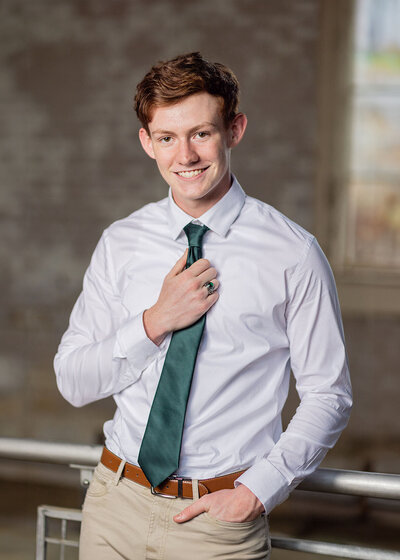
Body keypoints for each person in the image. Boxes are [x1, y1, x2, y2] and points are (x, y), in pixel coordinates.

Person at [54, 52, 352, 560]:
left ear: (234, 130)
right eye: (167, 138)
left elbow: (329, 395)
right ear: (147, 143)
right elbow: (74, 382)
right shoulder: (121, 242)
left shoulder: (293, 254)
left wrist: (259, 489)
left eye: (201, 133)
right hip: (112, 506)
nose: (185, 156)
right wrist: (154, 322)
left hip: (217, 523)